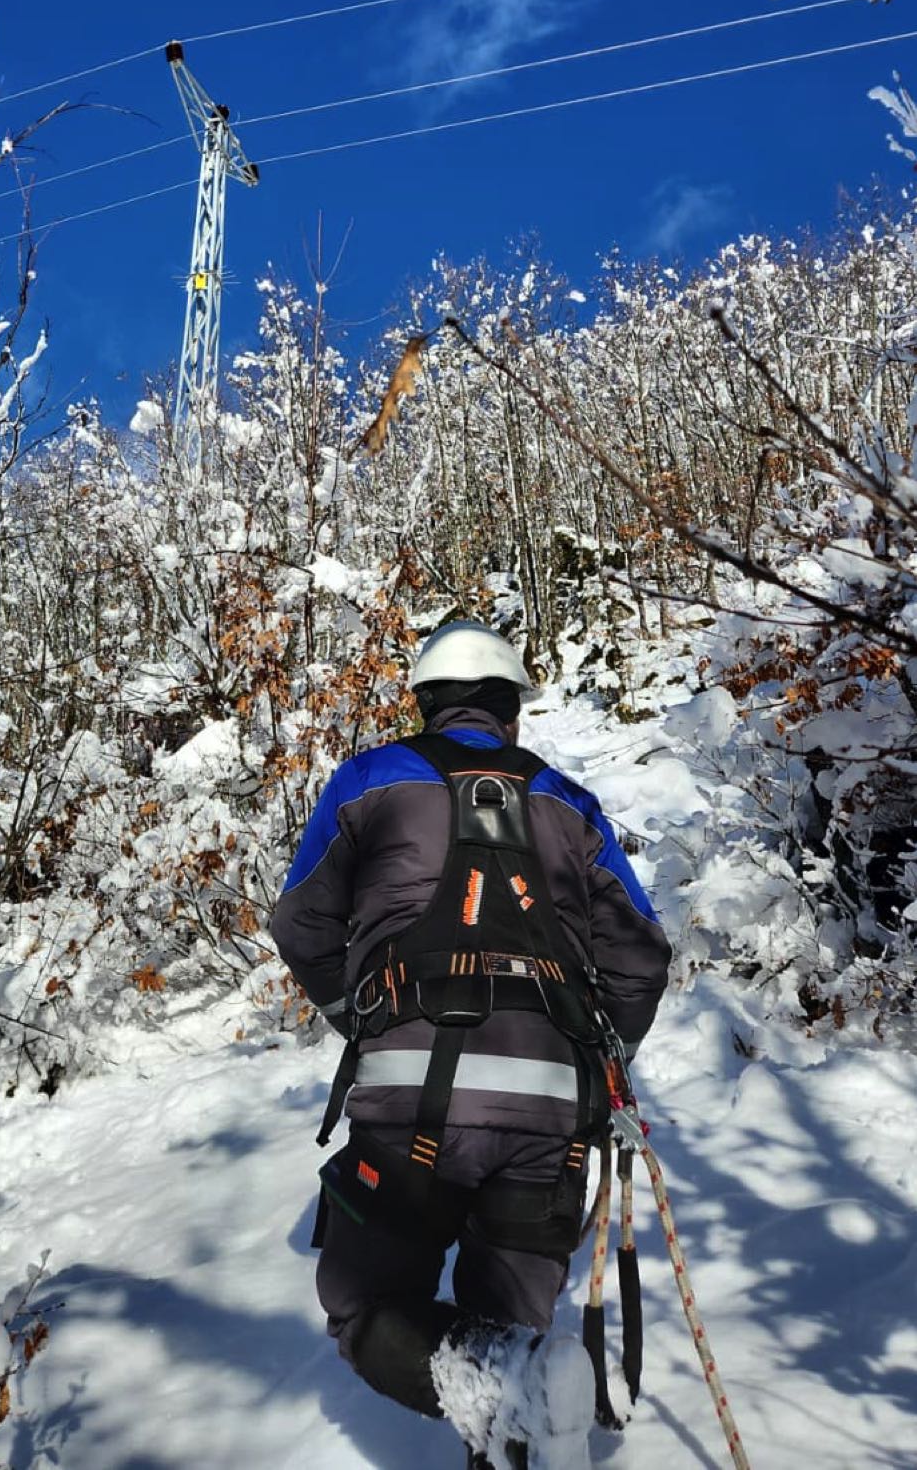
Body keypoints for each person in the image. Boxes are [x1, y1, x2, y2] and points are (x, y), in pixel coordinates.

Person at [270, 619, 672, 1470]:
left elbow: (300, 922)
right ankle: (519, 1386)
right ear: (510, 714)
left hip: (412, 1099)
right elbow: (640, 956)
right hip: (551, 1115)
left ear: (423, 705)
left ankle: (509, 1378)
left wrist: (365, 1014)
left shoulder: (369, 779)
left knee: (366, 1302)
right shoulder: (572, 803)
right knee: (512, 1331)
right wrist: (600, 1064)